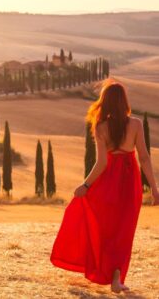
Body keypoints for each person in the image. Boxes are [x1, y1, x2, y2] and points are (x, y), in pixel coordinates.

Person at [50, 79, 159, 293]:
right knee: (123, 232)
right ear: (123, 101)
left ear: (105, 102)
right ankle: (116, 278)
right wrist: (155, 188)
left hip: (106, 184)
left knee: (105, 229)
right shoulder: (136, 124)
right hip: (130, 184)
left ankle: (108, 273)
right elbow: (144, 158)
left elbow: (102, 163)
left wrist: (86, 185)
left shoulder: (100, 127)